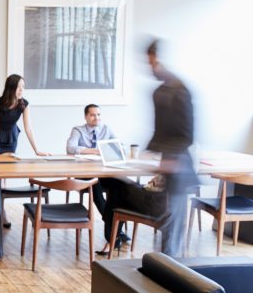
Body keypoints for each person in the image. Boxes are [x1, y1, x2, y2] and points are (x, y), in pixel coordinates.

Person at [99, 39, 197, 257]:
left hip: (178, 175)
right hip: (163, 173)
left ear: (161, 60)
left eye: (153, 63)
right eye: (149, 63)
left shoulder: (180, 91)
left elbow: (187, 135)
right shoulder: (158, 93)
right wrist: (147, 153)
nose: (151, 69)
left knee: (171, 237)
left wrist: (171, 161)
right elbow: (159, 132)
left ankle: (170, 274)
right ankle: (117, 241)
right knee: (117, 186)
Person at [0, 74, 49, 228]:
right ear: (11, 88)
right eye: (19, 87)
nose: (22, 90)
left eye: (23, 87)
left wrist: (37, 150)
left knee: (5, 173)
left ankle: (1, 209)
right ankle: (1, 212)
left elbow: (28, 127)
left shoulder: (24, 104)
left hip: (11, 137)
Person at [65, 104, 128, 244]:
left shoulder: (106, 129)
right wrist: (95, 150)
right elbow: (70, 148)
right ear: (86, 116)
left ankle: (113, 226)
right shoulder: (78, 130)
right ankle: (112, 225)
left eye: (98, 115)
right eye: (93, 115)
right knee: (95, 185)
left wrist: (113, 148)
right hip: (84, 173)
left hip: (103, 172)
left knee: (121, 184)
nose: (96, 118)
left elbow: (119, 146)